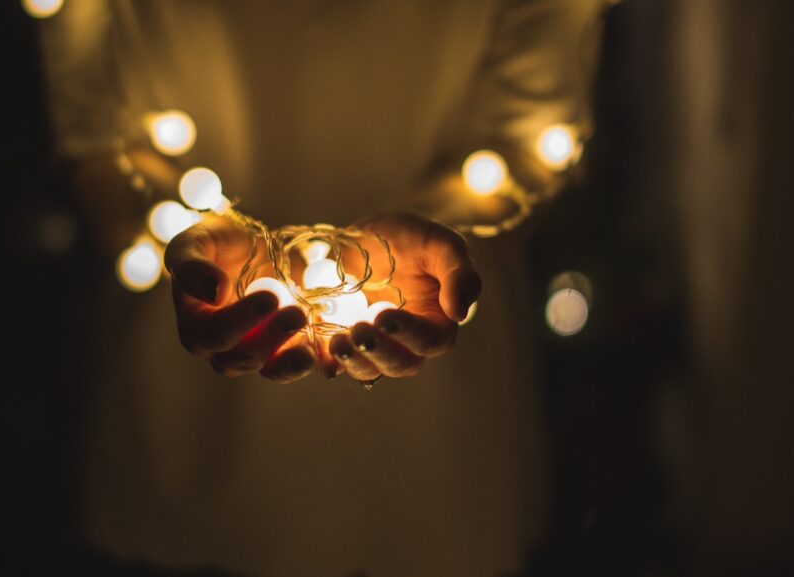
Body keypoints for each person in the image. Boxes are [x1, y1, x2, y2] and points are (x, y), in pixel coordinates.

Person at [39, 1, 610, 575]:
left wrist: (442, 242)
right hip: (189, 434)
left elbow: (532, 136)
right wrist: (164, 233)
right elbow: (94, 132)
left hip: (436, 441)